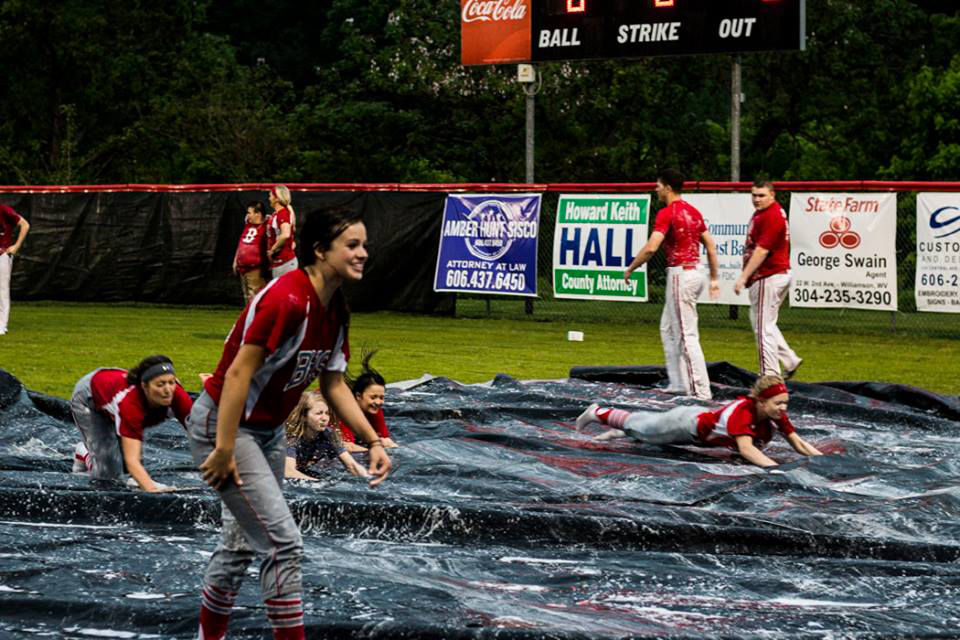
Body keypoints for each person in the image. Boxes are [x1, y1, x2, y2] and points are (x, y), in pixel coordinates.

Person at [187, 206, 391, 640]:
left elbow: (334, 383)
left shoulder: (335, 308)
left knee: (241, 544)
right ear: (319, 250)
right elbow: (238, 374)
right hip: (227, 425)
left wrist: (373, 439)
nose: (363, 254)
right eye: (351, 245)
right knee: (282, 544)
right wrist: (223, 449)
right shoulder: (288, 299)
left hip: (265, 431)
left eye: (364, 245)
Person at [576, 374, 822, 469]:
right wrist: (776, 470)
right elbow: (747, 449)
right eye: (778, 403)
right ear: (760, 401)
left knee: (644, 428)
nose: (783, 408)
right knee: (642, 424)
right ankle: (597, 412)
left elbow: (797, 442)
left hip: (700, 426)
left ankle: (622, 433)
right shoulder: (744, 413)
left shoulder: (772, 414)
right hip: (686, 425)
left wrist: (823, 460)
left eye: (785, 402)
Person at [623, 169, 720, 400]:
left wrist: (631, 267)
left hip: (681, 274)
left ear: (667, 187)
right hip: (694, 272)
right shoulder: (693, 212)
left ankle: (700, 391)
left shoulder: (667, 213)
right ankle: (678, 382)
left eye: (658, 185)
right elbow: (710, 245)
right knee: (668, 328)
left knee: (687, 335)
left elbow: (651, 247)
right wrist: (714, 278)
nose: (655, 188)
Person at [69, 356, 192, 491]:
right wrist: (152, 490)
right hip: (89, 398)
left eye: (171, 382)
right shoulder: (129, 404)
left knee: (123, 466)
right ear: (144, 386)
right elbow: (132, 460)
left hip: (112, 389)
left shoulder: (179, 397)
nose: (168, 390)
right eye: (160, 384)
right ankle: (85, 453)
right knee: (108, 477)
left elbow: (201, 435)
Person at [734, 180, 803, 379]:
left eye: (761, 195)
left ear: (772, 195)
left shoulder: (772, 215)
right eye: (754, 195)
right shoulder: (764, 213)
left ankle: (769, 375)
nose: (757, 199)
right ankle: (789, 359)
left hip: (769, 275)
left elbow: (762, 250)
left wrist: (744, 276)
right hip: (774, 274)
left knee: (763, 327)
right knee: (763, 322)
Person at [284, 389, 370, 481]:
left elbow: (352, 465)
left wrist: (369, 479)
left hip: (301, 471)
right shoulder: (291, 437)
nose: (324, 418)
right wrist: (319, 483)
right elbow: (288, 472)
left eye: (327, 413)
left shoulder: (329, 434)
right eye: (319, 413)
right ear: (304, 416)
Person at [338, 351, 398, 452]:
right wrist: (374, 451)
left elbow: (386, 440)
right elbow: (347, 446)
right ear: (358, 396)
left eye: (381, 397)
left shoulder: (373, 408)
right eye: (373, 397)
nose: (378, 402)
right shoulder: (342, 407)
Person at [0, 203, 30, 336]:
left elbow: (25, 224)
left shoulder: (3, 210)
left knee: (2, 290)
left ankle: (2, 325)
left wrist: (16, 246)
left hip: (1, 255)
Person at [233, 201, 269, 305]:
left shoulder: (267, 225)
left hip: (255, 268)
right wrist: (236, 260)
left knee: (257, 296)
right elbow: (242, 242)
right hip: (242, 267)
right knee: (247, 297)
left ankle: (258, 319)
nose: (247, 215)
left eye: (250, 212)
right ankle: (249, 320)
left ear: (258, 214)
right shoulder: (248, 224)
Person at [266, 184, 298, 279]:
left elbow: (286, 234)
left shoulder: (282, 214)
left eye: (271, 195)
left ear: (277, 198)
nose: (269, 198)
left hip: (284, 262)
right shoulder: (278, 214)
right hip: (280, 262)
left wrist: (272, 249)